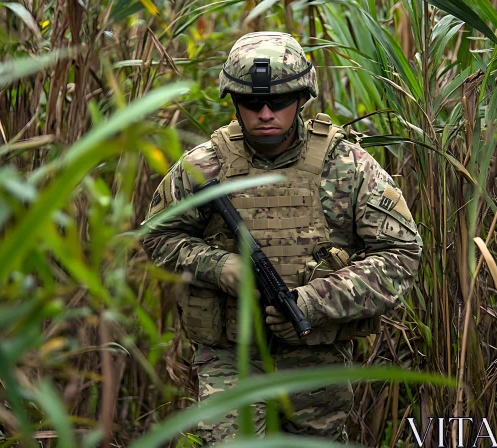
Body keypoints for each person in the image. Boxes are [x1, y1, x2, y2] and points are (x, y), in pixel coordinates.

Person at [141, 31, 423, 445]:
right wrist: (219, 266)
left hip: (315, 354)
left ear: (302, 98)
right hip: (229, 355)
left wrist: (313, 302)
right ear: (235, 102)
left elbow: (402, 255)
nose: (266, 113)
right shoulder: (205, 166)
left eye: (280, 101)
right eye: (252, 103)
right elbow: (157, 237)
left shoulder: (347, 166)